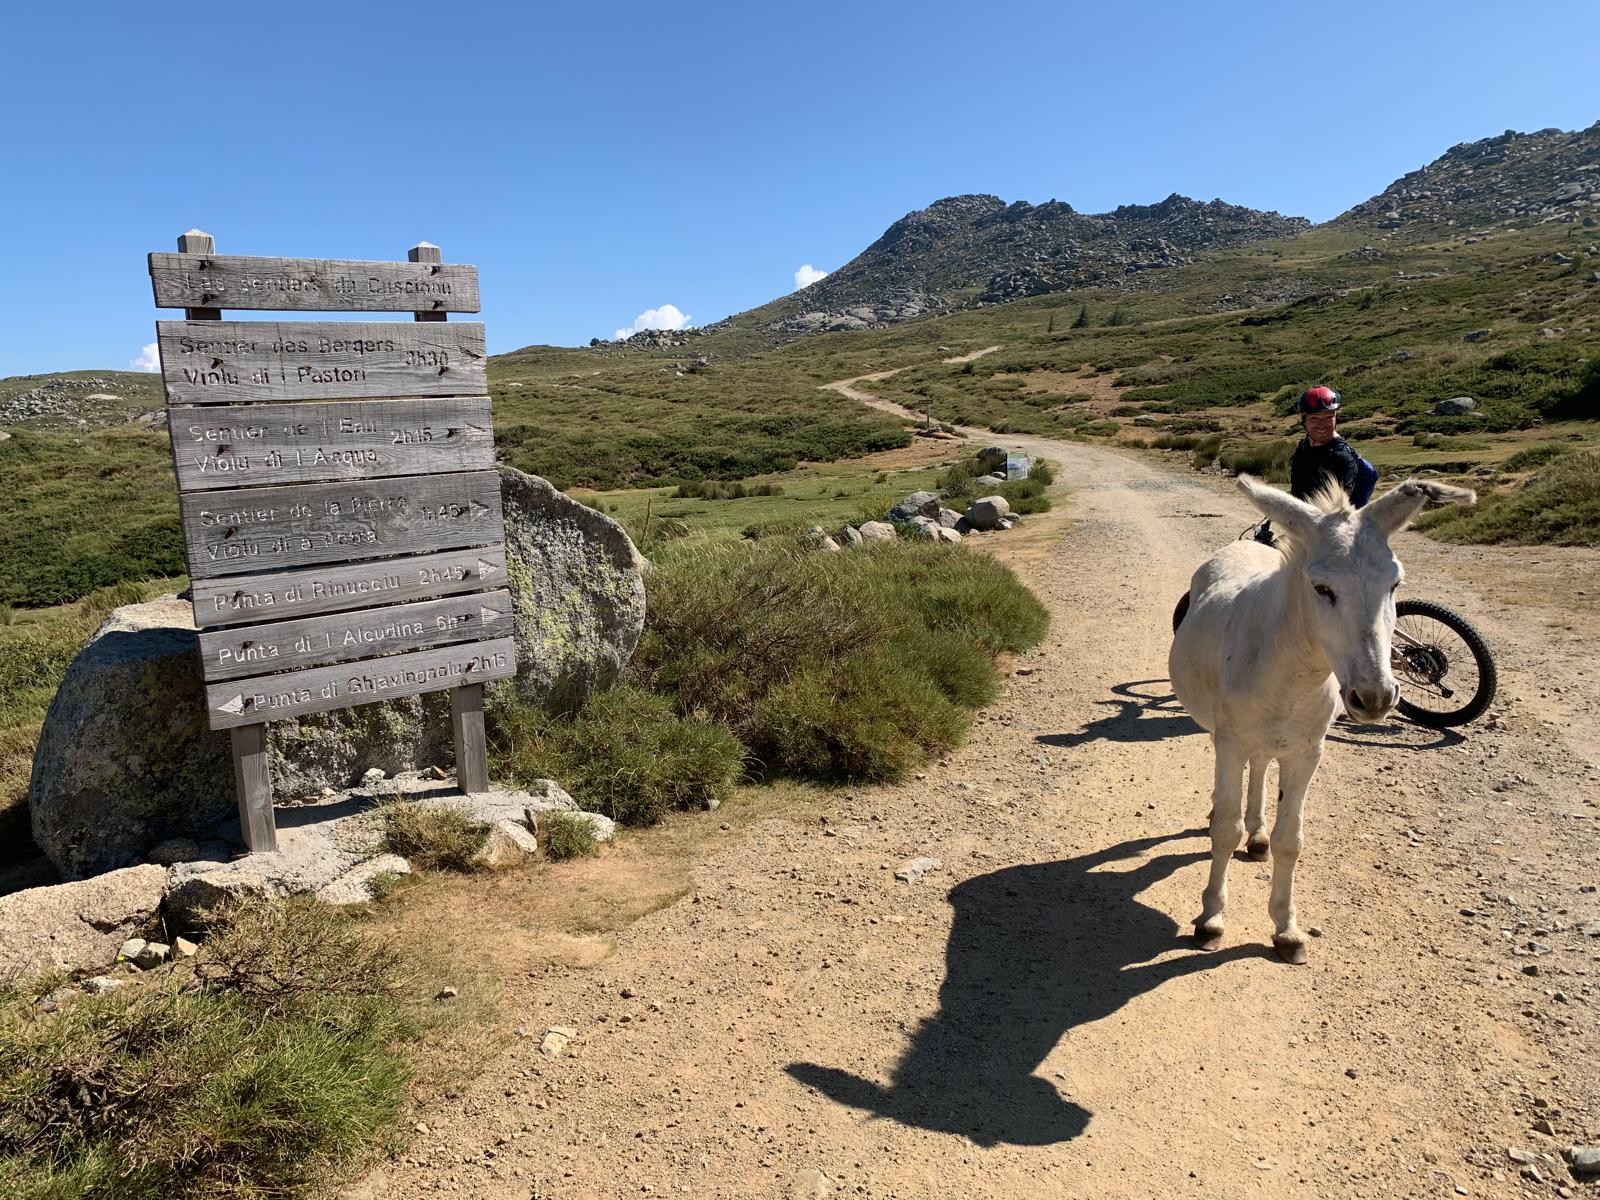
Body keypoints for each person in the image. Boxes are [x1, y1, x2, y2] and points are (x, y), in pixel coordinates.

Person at [1255, 386, 1376, 544]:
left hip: (1332, 536)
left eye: (1328, 417)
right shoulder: (1304, 448)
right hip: (1304, 527)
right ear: (1304, 420)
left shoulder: (1341, 458)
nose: (1322, 424)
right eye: (1314, 418)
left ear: (1336, 417)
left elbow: (1335, 511)